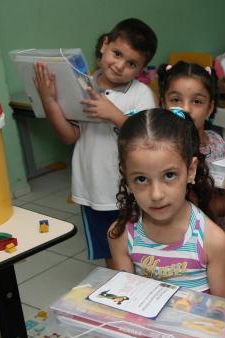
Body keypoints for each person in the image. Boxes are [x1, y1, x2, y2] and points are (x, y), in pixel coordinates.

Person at [108, 109, 225, 338]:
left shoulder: (211, 240)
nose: (156, 194)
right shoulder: (123, 234)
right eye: (141, 179)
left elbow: (222, 313)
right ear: (126, 178)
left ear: (190, 170)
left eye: (168, 176)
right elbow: (126, 304)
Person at [33, 18, 157, 268]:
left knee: (143, 248)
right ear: (104, 45)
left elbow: (147, 138)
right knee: (110, 250)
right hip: (93, 189)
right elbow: (69, 135)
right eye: (117, 54)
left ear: (141, 70)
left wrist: (113, 114)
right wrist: (50, 102)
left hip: (133, 192)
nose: (120, 66)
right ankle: (121, 296)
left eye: (131, 63)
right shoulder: (81, 85)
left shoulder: (141, 94)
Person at [157, 61, 225, 163]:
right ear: (163, 104)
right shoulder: (156, 148)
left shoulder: (217, 142)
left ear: (210, 108)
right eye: (176, 100)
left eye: (197, 101)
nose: (186, 109)